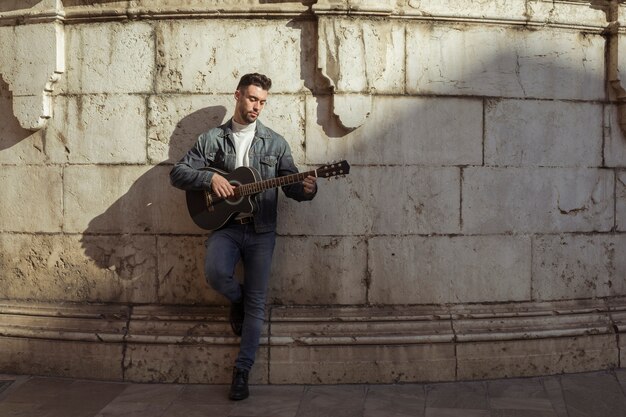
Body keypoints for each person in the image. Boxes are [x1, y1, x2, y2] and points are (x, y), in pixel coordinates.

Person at [169, 73, 317, 400]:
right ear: (238, 95)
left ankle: (242, 370)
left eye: (262, 102)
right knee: (216, 273)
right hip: (225, 227)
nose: (257, 107)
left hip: (261, 230)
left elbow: (291, 185)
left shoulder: (275, 143)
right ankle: (238, 300)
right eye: (252, 99)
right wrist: (209, 179)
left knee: (258, 304)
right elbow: (177, 173)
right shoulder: (211, 139)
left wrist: (307, 188)